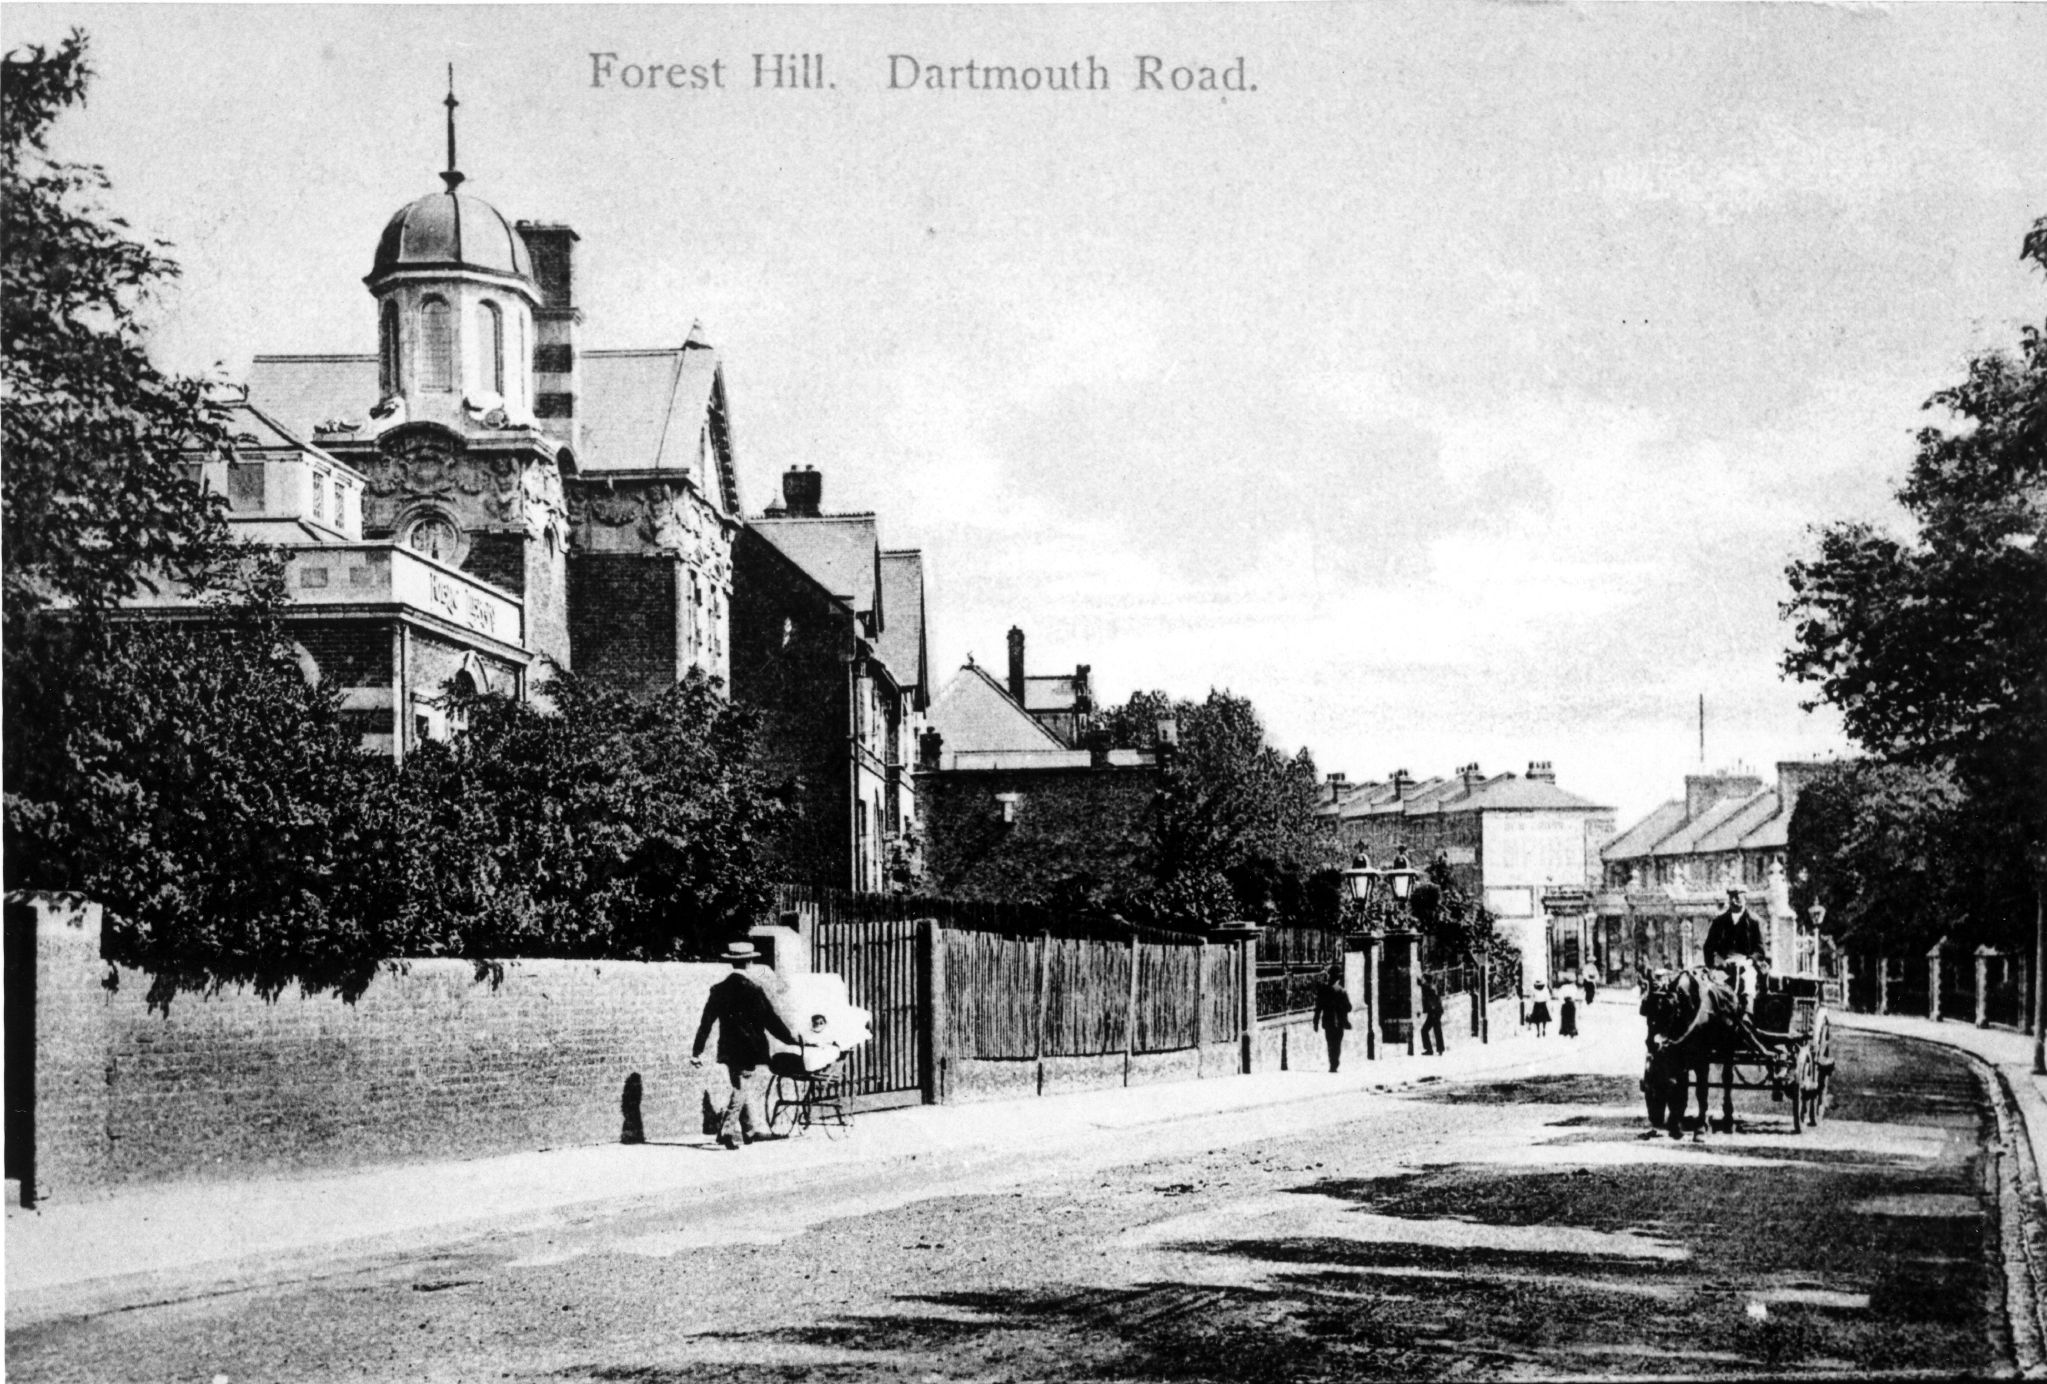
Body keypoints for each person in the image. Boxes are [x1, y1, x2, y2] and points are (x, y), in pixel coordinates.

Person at [691, 940, 797, 1149]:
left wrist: (697, 1051)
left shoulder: (719, 989)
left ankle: (749, 1132)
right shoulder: (754, 989)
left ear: (732, 963)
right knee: (741, 1087)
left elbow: (706, 1022)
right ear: (749, 962)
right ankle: (726, 1132)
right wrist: (791, 1040)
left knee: (741, 1085)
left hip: (728, 1048)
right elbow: (771, 1020)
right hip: (749, 1048)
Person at [1704, 885, 1768, 1018]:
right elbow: (1708, 947)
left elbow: (1760, 950)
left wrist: (1749, 961)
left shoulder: (1755, 921)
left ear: (1745, 898)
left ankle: (1747, 1015)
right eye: (1731, 897)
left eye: (1737, 897)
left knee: (1748, 982)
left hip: (1746, 964)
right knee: (1709, 988)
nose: (1734, 901)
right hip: (1724, 965)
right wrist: (1712, 966)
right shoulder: (1719, 922)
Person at [1311, 963, 1352, 1073]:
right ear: (1339, 977)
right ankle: (1335, 1064)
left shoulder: (1323, 990)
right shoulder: (1342, 991)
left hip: (1328, 1022)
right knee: (1337, 1044)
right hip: (1339, 1022)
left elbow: (1318, 1008)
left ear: (1329, 976)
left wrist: (1315, 1022)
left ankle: (1332, 1064)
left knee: (1330, 1043)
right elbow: (1349, 1007)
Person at [1419, 974, 1446, 1056]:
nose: (1423, 981)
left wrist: (1420, 983)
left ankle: (1430, 1049)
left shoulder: (1429, 988)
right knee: (1436, 1029)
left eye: (1423, 979)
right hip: (1435, 1011)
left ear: (1426, 981)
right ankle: (1439, 1049)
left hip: (1434, 1011)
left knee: (1425, 1030)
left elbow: (1424, 987)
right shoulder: (1431, 987)